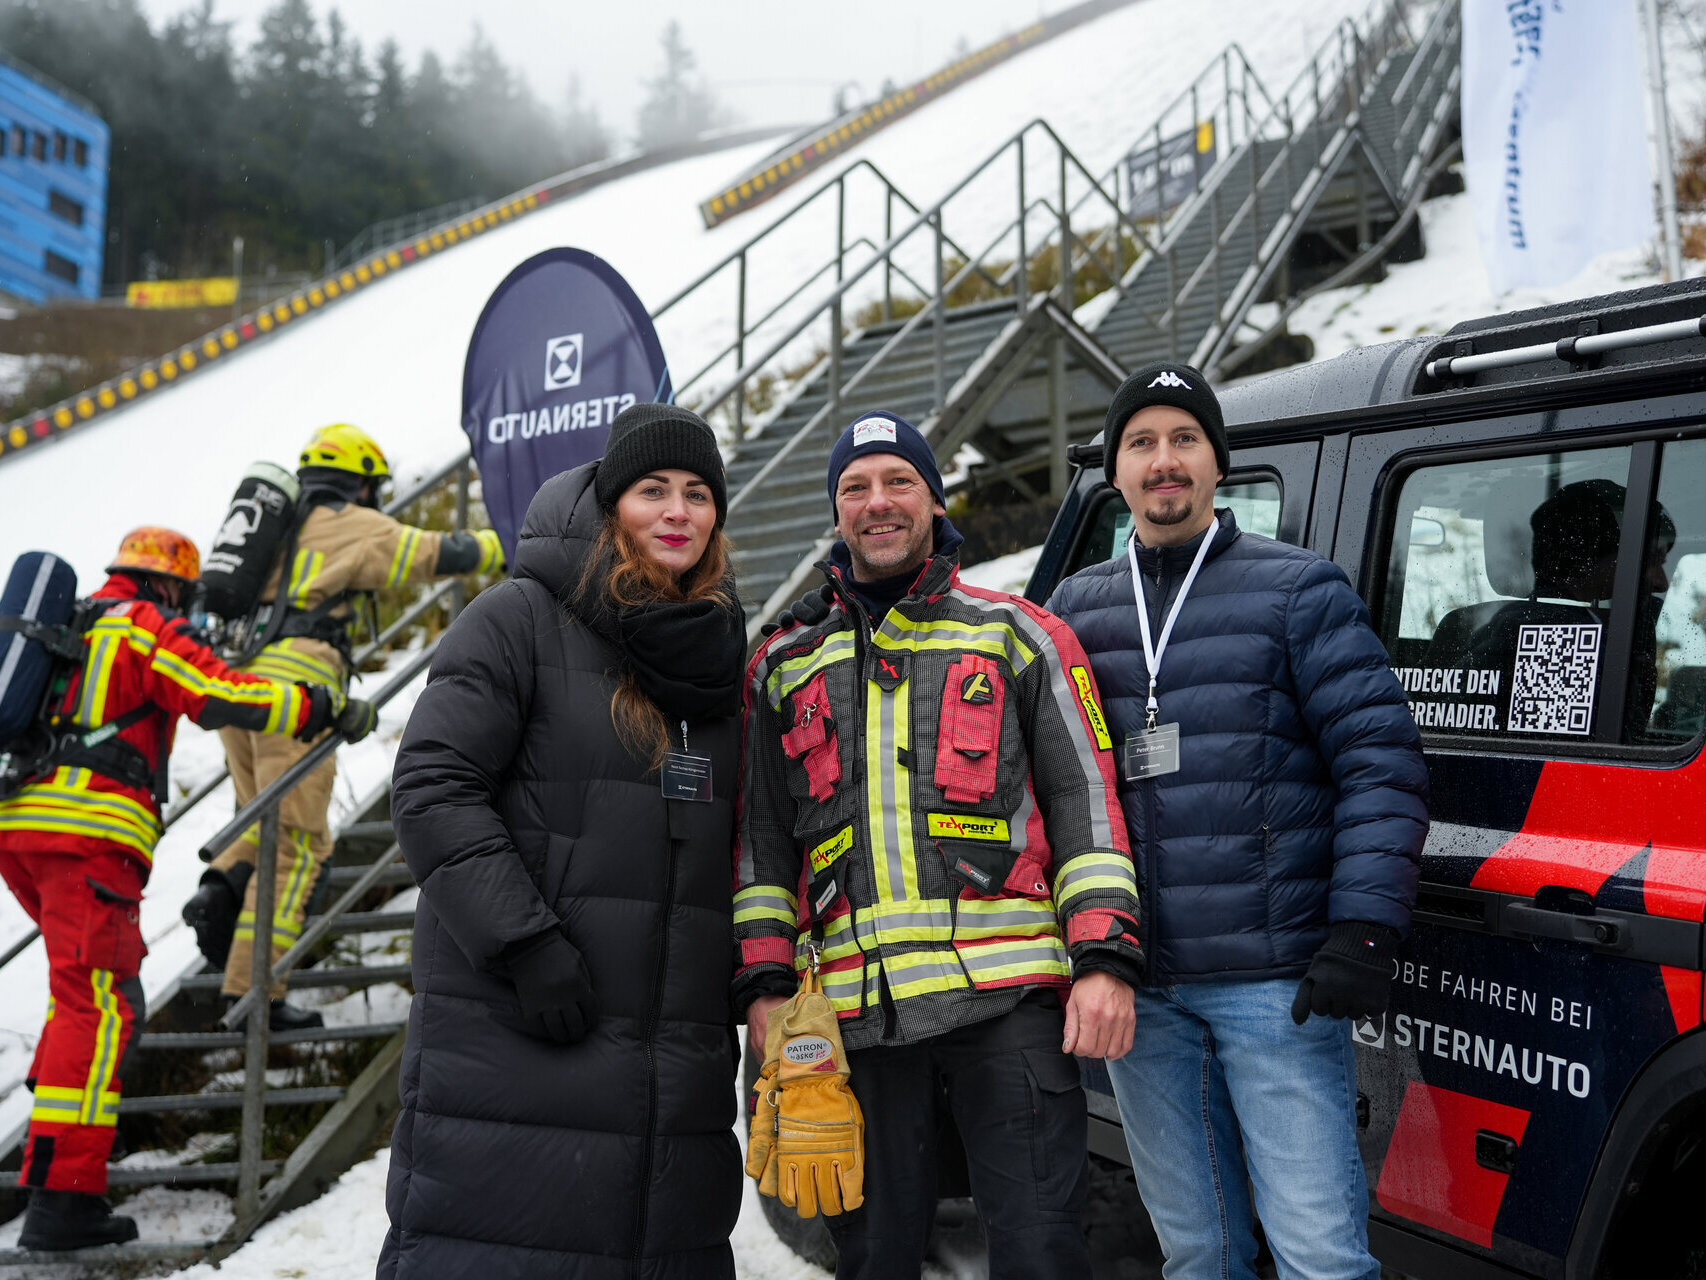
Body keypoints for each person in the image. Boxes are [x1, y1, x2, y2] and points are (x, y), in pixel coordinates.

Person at [736, 411, 1143, 1280]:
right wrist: (767, 986)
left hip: (1010, 1016)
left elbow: (1087, 809)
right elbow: (762, 846)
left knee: (1041, 1255)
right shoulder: (782, 663)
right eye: (856, 487)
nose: (877, 503)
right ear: (836, 511)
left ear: (933, 497)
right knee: (875, 1262)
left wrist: (1103, 958)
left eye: (898, 482)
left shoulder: (1021, 635)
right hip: (856, 1023)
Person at [1046, 363, 1430, 1280]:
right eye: (1142, 442)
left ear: (1220, 462)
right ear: (1116, 469)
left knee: (1319, 1254)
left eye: (1185, 439)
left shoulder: (1299, 591)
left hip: (1274, 983)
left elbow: (1381, 760)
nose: (1164, 460)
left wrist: (1364, 928)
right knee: (1198, 1252)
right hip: (1139, 987)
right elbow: (1048, 791)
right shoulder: (1072, 611)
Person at [377, 404, 748, 1277]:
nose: (678, 511)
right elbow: (431, 785)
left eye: (698, 494)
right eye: (652, 489)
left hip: (670, 1076)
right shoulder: (519, 620)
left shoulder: (721, 657)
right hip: (523, 1045)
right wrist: (524, 940)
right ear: (608, 501)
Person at [0, 527, 371, 1251]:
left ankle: (51, 1165)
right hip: (90, 837)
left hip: (24, 832)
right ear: (170, 584)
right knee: (101, 1005)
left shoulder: (67, 624)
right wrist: (318, 709)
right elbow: (215, 692)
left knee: (82, 997)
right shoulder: (142, 625)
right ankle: (61, 1200)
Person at [183, 423, 503, 1031]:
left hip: (242, 689)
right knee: (298, 845)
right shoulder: (349, 522)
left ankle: (215, 893)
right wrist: (509, 544)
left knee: (260, 820)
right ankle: (255, 997)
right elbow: (432, 553)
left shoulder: (277, 531)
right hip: (298, 690)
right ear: (360, 483)